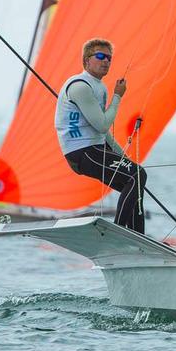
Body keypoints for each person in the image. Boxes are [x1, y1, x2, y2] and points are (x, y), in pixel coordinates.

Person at [55, 38, 147, 233]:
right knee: (137, 175)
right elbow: (103, 125)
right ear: (86, 60)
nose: (105, 61)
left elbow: (100, 132)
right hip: (82, 152)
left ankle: (139, 237)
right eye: (100, 56)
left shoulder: (98, 86)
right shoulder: (80, 86)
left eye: (109, 58)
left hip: (95, 148)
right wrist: (117, 97)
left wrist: (123, 156)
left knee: (133, 184)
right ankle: (120, 232)